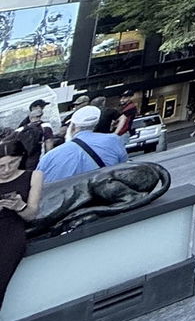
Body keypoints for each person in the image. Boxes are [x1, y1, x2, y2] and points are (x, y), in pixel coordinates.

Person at [0, 131, 44, 308]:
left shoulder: (34, 175)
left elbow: (31, 214)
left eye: (12, 163)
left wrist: (19, 206)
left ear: (21, 158)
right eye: (1, 166)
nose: (6, 170)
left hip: (10, 232)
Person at [37, 106, 128, 182]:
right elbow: (122, 169)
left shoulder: (49, 157)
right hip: (104, 198)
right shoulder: (113, 141)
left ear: (72, 126)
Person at [16, 102, 53, 171]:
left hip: (24, 164)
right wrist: (49, 159)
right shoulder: (45, 126)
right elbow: (49, 142)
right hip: (39, 160)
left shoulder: (19, 130)